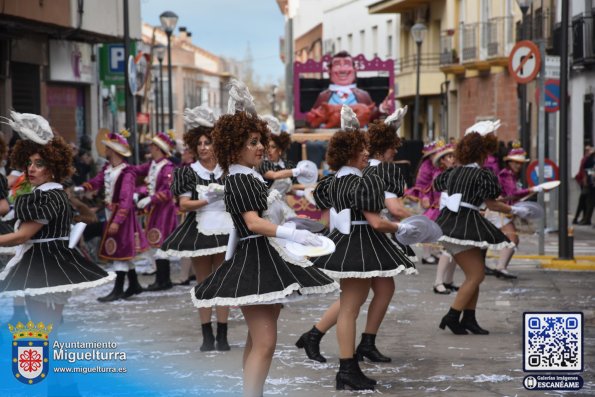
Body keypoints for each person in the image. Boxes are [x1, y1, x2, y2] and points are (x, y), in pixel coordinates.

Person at [192, 80, 339, 397]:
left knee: (257, 340)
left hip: (264, 259)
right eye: (253, 142)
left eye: (260, 141)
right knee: (266, 341)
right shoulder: (241, 178)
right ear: (235, 146)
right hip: (254, 261)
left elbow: (265, 217)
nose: (260, 147)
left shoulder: (247, 175)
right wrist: (292, 232)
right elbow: (252, 223)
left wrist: (294, 225)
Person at [295, 108, 416, 369]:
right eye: (362, 148)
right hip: (363, 241)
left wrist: (322, 234)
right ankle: (346, 364)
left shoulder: (334, 180)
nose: (366, 152)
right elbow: (381, 218)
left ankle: (333, 345)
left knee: (357, 300)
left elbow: (330, 213)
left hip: (351, 240)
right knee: (352, 305)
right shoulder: (370, 178)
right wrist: (405, 227)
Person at [0, 112, 113, 326]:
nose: (31, 168)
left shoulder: (49, 196)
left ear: (53, 167)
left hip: (46, 264)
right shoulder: (44, 193)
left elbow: (22, 236)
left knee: (43, 326)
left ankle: (45, 359)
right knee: (45, 326)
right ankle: (46, 358)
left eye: (39, 163)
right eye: (29, 163)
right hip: (46, 262)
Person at [433, 130, 532, 335]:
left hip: (450, 223)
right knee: (476, 275)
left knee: (473, 273)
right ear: (482, 153)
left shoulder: (453, 172)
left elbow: (437, 185)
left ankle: (469, 318)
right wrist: (515, 209)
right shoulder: (482, 174)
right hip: (465, 225)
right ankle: (452, 315)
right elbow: (491, 204)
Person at [157, 106, 233, 352]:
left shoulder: (228, 170)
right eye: (199, 142)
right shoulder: (188, 172)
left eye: (208, 142)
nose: (203, 147)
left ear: (216, 144)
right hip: (199, 230)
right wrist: (206, 200)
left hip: (225, 228)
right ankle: (206, 335)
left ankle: (222, 334)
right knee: (203, 282)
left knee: (222, 281)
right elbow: (183, 205)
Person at [78, 130, 149, 302]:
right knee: (124, 251)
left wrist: (117, 221)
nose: (105, 150)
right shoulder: (108, 168)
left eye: (107, 147)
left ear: (114, 150)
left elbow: (125, 200)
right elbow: (97, 181)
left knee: (119, 251)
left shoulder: (127, 173)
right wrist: (83, 188)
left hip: (121, 216)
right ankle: (134, 285)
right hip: (111, 214)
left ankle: (118, 290)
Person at [486, 144, 542, 279]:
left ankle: (499, 267)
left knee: (488, 240)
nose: (518, 165)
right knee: (512, 239)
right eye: (515, 162)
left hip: (503, 210)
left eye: (520, 163)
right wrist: (532, 189)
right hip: (498, 211)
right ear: (509, 162)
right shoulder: (505, 174)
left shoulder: (512, 175)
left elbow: (513, 195)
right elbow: (513, 193)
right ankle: (499, 267)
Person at [132, 131, 178, 291]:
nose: (149, 147)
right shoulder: (153, 164)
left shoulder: (168, 167)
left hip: (164, 211)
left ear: (158, 148)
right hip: (154, 210)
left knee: (161, 245)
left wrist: (151, 199)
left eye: (152, 145)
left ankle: (163, 280)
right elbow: (140, 174)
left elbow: (168, 191)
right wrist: (140, 191)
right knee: (156, 244)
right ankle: (163, 280)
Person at [425, 143, 459, 294]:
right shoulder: (440, 175)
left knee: (456, 250)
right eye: (449, 156)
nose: (453, 159)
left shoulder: (455, 172)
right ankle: (438, 283)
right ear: (442, 161)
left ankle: (448, 280)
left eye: (454, 156)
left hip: (454, 214)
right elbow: (444, 197)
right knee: (447, 249)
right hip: (445, 214)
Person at [574, 145, 594, 225]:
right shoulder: (587, 159)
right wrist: (585, 179)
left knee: (586, 202)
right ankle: (584, 219)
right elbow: (585, 170)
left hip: (589, 183)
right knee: (585, 201)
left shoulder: (589, 159)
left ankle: (584, 219)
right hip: (588, 183)